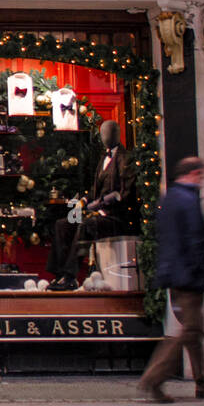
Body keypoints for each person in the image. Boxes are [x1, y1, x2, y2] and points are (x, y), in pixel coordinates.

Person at [138, 156, 204, 403]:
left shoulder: (170, 197)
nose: (203, 180)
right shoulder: (187, 199)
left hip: (175, 272)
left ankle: (203, 381)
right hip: (187, 274)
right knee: (191, 329)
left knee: (194, 330)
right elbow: (194, 240)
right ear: (194, 173)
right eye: (201, 175)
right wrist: (197, 270)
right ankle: (154, 378)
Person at [48, 119, 137, 289]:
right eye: (103, 134)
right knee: (63, 224)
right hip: (96, 211)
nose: (105, 137)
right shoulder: (104, 157)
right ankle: (58, 274)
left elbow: (124, 194)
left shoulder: (126, 159)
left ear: (117, 135)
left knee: (84, 224)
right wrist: (84, 200)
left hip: (115, 217)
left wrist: (102, 205)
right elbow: (96, 189)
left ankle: (70, 276)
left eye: (108, 133)